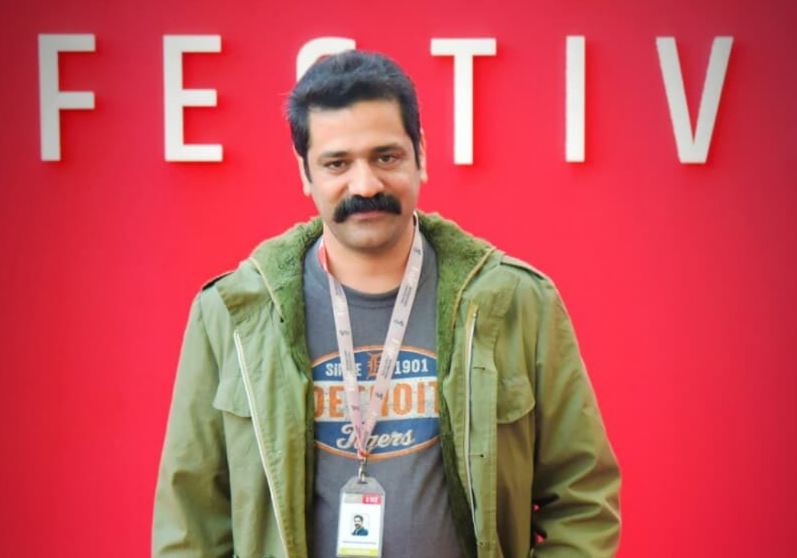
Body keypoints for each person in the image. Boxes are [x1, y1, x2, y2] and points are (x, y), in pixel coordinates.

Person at [152, 50, 621, 558]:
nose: (366, 185)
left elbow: (583, 500)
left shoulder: (514, 302)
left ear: (421, 154)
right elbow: (190, 523)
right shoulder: (234, 314)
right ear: (305, 173)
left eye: (386, 157)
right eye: (337, 163)